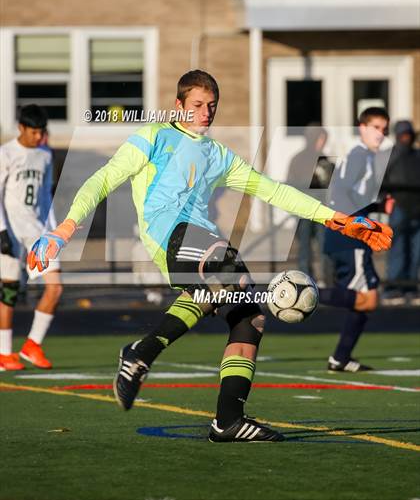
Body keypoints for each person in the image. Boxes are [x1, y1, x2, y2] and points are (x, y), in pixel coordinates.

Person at [28, 71, 392, 442]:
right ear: (179, 105)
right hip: (170, 238)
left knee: (250, 319)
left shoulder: (219, 156)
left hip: (199, 243)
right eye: (198, 105)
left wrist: (336, 219)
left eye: (212, 106)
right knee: (228, 274)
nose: (205, 113)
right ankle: (142, 351)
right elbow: (102, 179)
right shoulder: (153, 136)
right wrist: (66, 228)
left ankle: (226, 419)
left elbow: (274, 191)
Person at [323, 107, 391, 373]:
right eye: (375, 127)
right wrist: (361, 224)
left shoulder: (362, 156)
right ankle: (298, 293)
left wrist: (376, 207)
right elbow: (339, 193)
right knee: (368, 298)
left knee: (367, 299)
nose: (380, 134)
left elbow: (352, 196)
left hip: (346, 236)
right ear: (362, 127)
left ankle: (341, 357)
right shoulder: (360, 155)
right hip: (349, 238)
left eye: (384, 129)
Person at [0, 104, 63, 371]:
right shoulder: (6, 153)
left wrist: (55, 231)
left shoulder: (45, 155)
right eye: (33, 132)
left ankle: (32, 345)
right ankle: (4, 353)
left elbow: (47, 195)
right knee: (10, 291)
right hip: (11, 231)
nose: (38, 137)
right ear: (21, 128)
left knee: (55, 287)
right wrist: (1, 230)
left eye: (41, 132)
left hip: (38, 231)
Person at [287, 124, 334, 284]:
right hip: (303, 209)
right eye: (319, 138)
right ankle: (305, 280)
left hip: (321, 210)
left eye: (324, 138)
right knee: (304, 247)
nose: (322, 142)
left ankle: (326, 278)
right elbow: (291, 184)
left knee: (324, 245)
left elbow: (331, 182)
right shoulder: (298, 159)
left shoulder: (324, 159)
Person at [382, 120, 420, 304]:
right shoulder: (390, 156)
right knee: (397, 249)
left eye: (409, 135)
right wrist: (385, 201)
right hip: (399, 208)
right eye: (403, 135)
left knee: (416, 250)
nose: (406, 138)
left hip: (417, 209)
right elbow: (380, 182)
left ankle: (411, 287)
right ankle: (393, 287)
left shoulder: (417, 156)